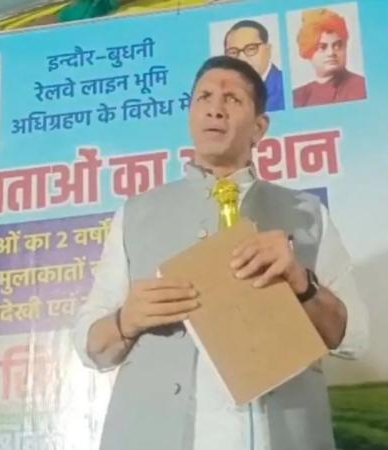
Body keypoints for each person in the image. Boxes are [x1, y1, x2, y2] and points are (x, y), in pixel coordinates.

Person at [73, 55, 368, 450]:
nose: (215, 108)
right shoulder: (136, 216)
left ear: (259, 127)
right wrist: (126, 320)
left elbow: (354, 339)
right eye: (204, 97)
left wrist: (303, 284)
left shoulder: (308, 215)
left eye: (232, 99)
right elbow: (89, 346)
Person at [293, 8, 367, 108]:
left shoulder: (361, 86)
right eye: (322, 47)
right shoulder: (298, 96)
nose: (331, 53)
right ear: (308, 52)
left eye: (337, 46)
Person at [224, 19, 285, 112]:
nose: (241, 59)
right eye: (233, 52)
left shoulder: (287, 88)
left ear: (268, 50)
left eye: (251, 49)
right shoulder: (224, 94)